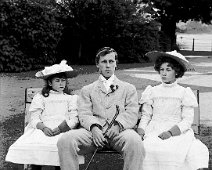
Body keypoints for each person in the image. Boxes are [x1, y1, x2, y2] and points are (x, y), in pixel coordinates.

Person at [57, 47, 145, 170]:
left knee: (135, 141)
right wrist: (94, 128)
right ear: (97, 65)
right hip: (92, 134)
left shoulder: (128, 88)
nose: (108, 65)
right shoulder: (87, 89)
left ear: (116, 64)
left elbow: (132, 112)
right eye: (104, 62)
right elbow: (84, 113)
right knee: (65, 140)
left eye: (111, 61)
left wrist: (117, 125)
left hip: (120, 133)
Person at [136, 50, 209, 170]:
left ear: (176, 72)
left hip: (176, 131)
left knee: (181, 149)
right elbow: (146, 116)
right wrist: (140, 132)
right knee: (148, 147)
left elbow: (187, 120)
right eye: (162, 69)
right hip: (154, 130)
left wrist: (170, 133)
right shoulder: (152, 91)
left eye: (168, 70)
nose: (164, 73)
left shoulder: (184, 93)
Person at [6, 60, 79, 170]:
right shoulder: (41, 97)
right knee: (37, 145)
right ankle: (35, 166)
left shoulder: (71, 98)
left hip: (62, 129)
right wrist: (43, 127)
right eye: (57, 81)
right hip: (44, 129)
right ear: (50, 83)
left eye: (63, 81)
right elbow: (34, 118)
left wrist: (61, 128)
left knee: (61, 145)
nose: (61, 83)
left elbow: (74, 119)